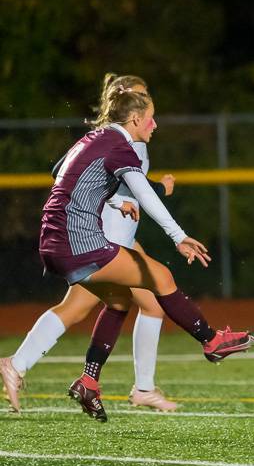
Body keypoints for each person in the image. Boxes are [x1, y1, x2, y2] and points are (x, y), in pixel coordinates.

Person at [0, 79, 254, 422]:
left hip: (56, 239)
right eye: (151, 117)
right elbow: (146, 194)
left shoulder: (98, 137)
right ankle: (211, 342)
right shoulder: (121, 146)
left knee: (121, 301)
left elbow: (66, 175)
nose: (155, 124)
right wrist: (178, 235)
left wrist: (111, 197)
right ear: (135, 118)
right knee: (161, 277)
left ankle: (80, 380)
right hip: (78, 240)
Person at [0, 74, 180, 412]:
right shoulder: (127, 138)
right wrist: (144, 195)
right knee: (150, 301)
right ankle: (141, 387)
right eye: (141, 96)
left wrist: (120, 195)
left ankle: (30, 367)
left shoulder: (115, 136)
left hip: (112, 234)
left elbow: (70, 172)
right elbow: (122, 184)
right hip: (103, 236)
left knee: (80, 308)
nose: (148, 109)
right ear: (130, 104)